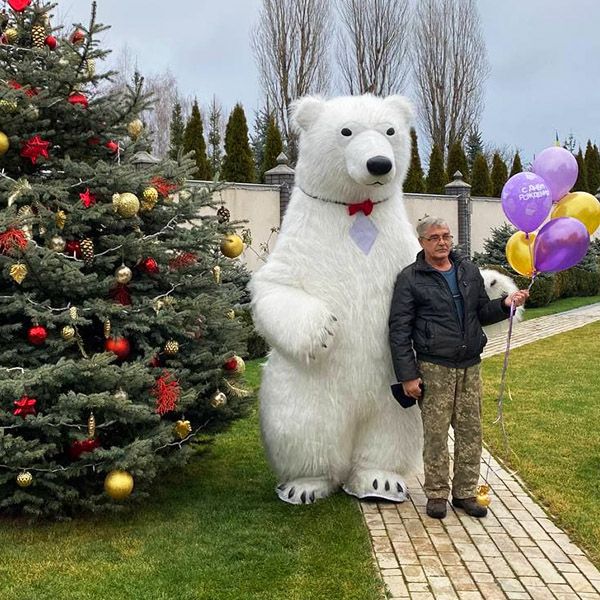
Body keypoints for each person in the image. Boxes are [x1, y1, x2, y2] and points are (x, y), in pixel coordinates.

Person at [388, 217, 528, 519]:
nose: (442, 242)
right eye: (434, 237)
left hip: (469, 366)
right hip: (434, 367)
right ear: (422, 242)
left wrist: (505, 304)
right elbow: (399, 330)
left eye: (446, 236)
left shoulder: (467, 271)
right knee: (436, 435)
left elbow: (480, 313)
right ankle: (437, 494)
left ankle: (465, 493)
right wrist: (408, 376)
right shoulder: (411, 278)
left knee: (471, 433)